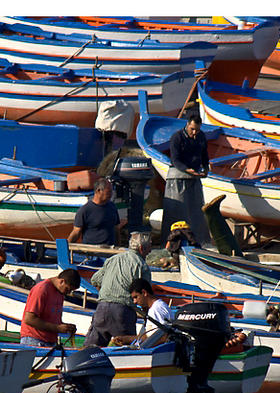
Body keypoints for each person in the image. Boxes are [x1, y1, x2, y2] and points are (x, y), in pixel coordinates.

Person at [83, 231, 152, 347]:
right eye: (149, 248)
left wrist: (105, 291)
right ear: (141, 248)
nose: (150, 251)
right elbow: (146, 295)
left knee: (90, 350)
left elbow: (95, 279)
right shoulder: (142, 266)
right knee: (126, 350)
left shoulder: (113, 259)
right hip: (123, 312)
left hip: (102, 309)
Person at [160, 114, 211, 246]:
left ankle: (199, 242)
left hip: (194, 177)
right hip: (177, 176)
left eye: (197, 130)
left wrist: (205, 168)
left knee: (197, 213)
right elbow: (175, 160)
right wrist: (187, 170)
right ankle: (171, 243)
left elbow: (204, 156)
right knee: (176, 212)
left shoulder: (201, 137)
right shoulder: (177, 137)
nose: (194, 132)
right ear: (188, 125)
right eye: (192, 129)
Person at [19, 268, 81, 347]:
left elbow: (51, 321)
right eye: (68, 289)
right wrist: (58, 328)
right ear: (62, 281)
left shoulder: (60, 293)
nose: (68, 293)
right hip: (34, 340)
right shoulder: (42, 289)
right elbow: (29, 319)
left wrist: (66, 327)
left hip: (49, 341)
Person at [111, 278, 173, 347]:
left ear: (144, 293)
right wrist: (125, 339)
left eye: (136, 297)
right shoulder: (155, 308)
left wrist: (128, 340)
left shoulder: (156, 309)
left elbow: (162, 337)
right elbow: (150, 337)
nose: (134, 301)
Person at [67, 177, 120, 246]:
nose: (111, 194)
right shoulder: (85, 210)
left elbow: (116, 229)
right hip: (92, 252)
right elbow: (76, 232)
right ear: (98, 191)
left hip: (110, 250)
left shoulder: (112, 207)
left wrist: (118, 246)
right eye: (109, 192)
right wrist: (65, 248)